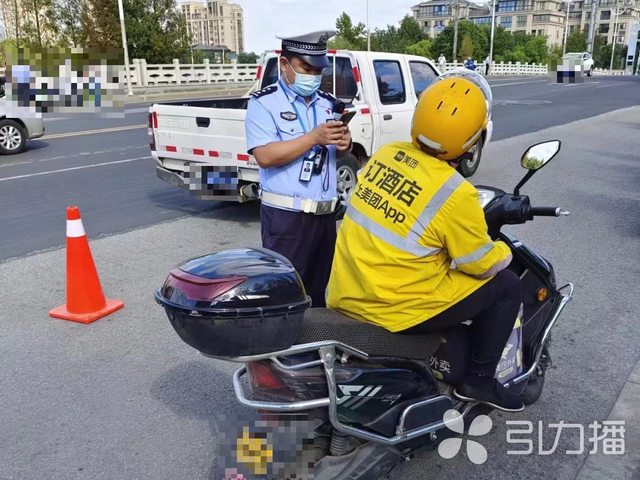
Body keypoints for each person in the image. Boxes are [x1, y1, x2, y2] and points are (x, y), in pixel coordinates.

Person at [326, 70, 525, 413]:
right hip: (391, 308)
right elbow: (481, 265)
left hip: (345, 292)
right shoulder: (456, 192)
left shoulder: (386, 155)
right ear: (473, 139)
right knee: (506, 285)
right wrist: (505, 251)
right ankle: (479, 380)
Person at [245, 29, 352, 308]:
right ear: (284, 63)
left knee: (318, 297)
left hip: (325, 217)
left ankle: (312, 351)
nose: (313, 76)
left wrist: (344, 143)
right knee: (284, 297)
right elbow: (265, 156)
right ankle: (284, 352)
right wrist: (313, 138)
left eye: (319, 70)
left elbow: (338, 153)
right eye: (306, 68)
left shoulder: (327, 103)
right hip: (287, 219)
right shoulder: (264, 104)